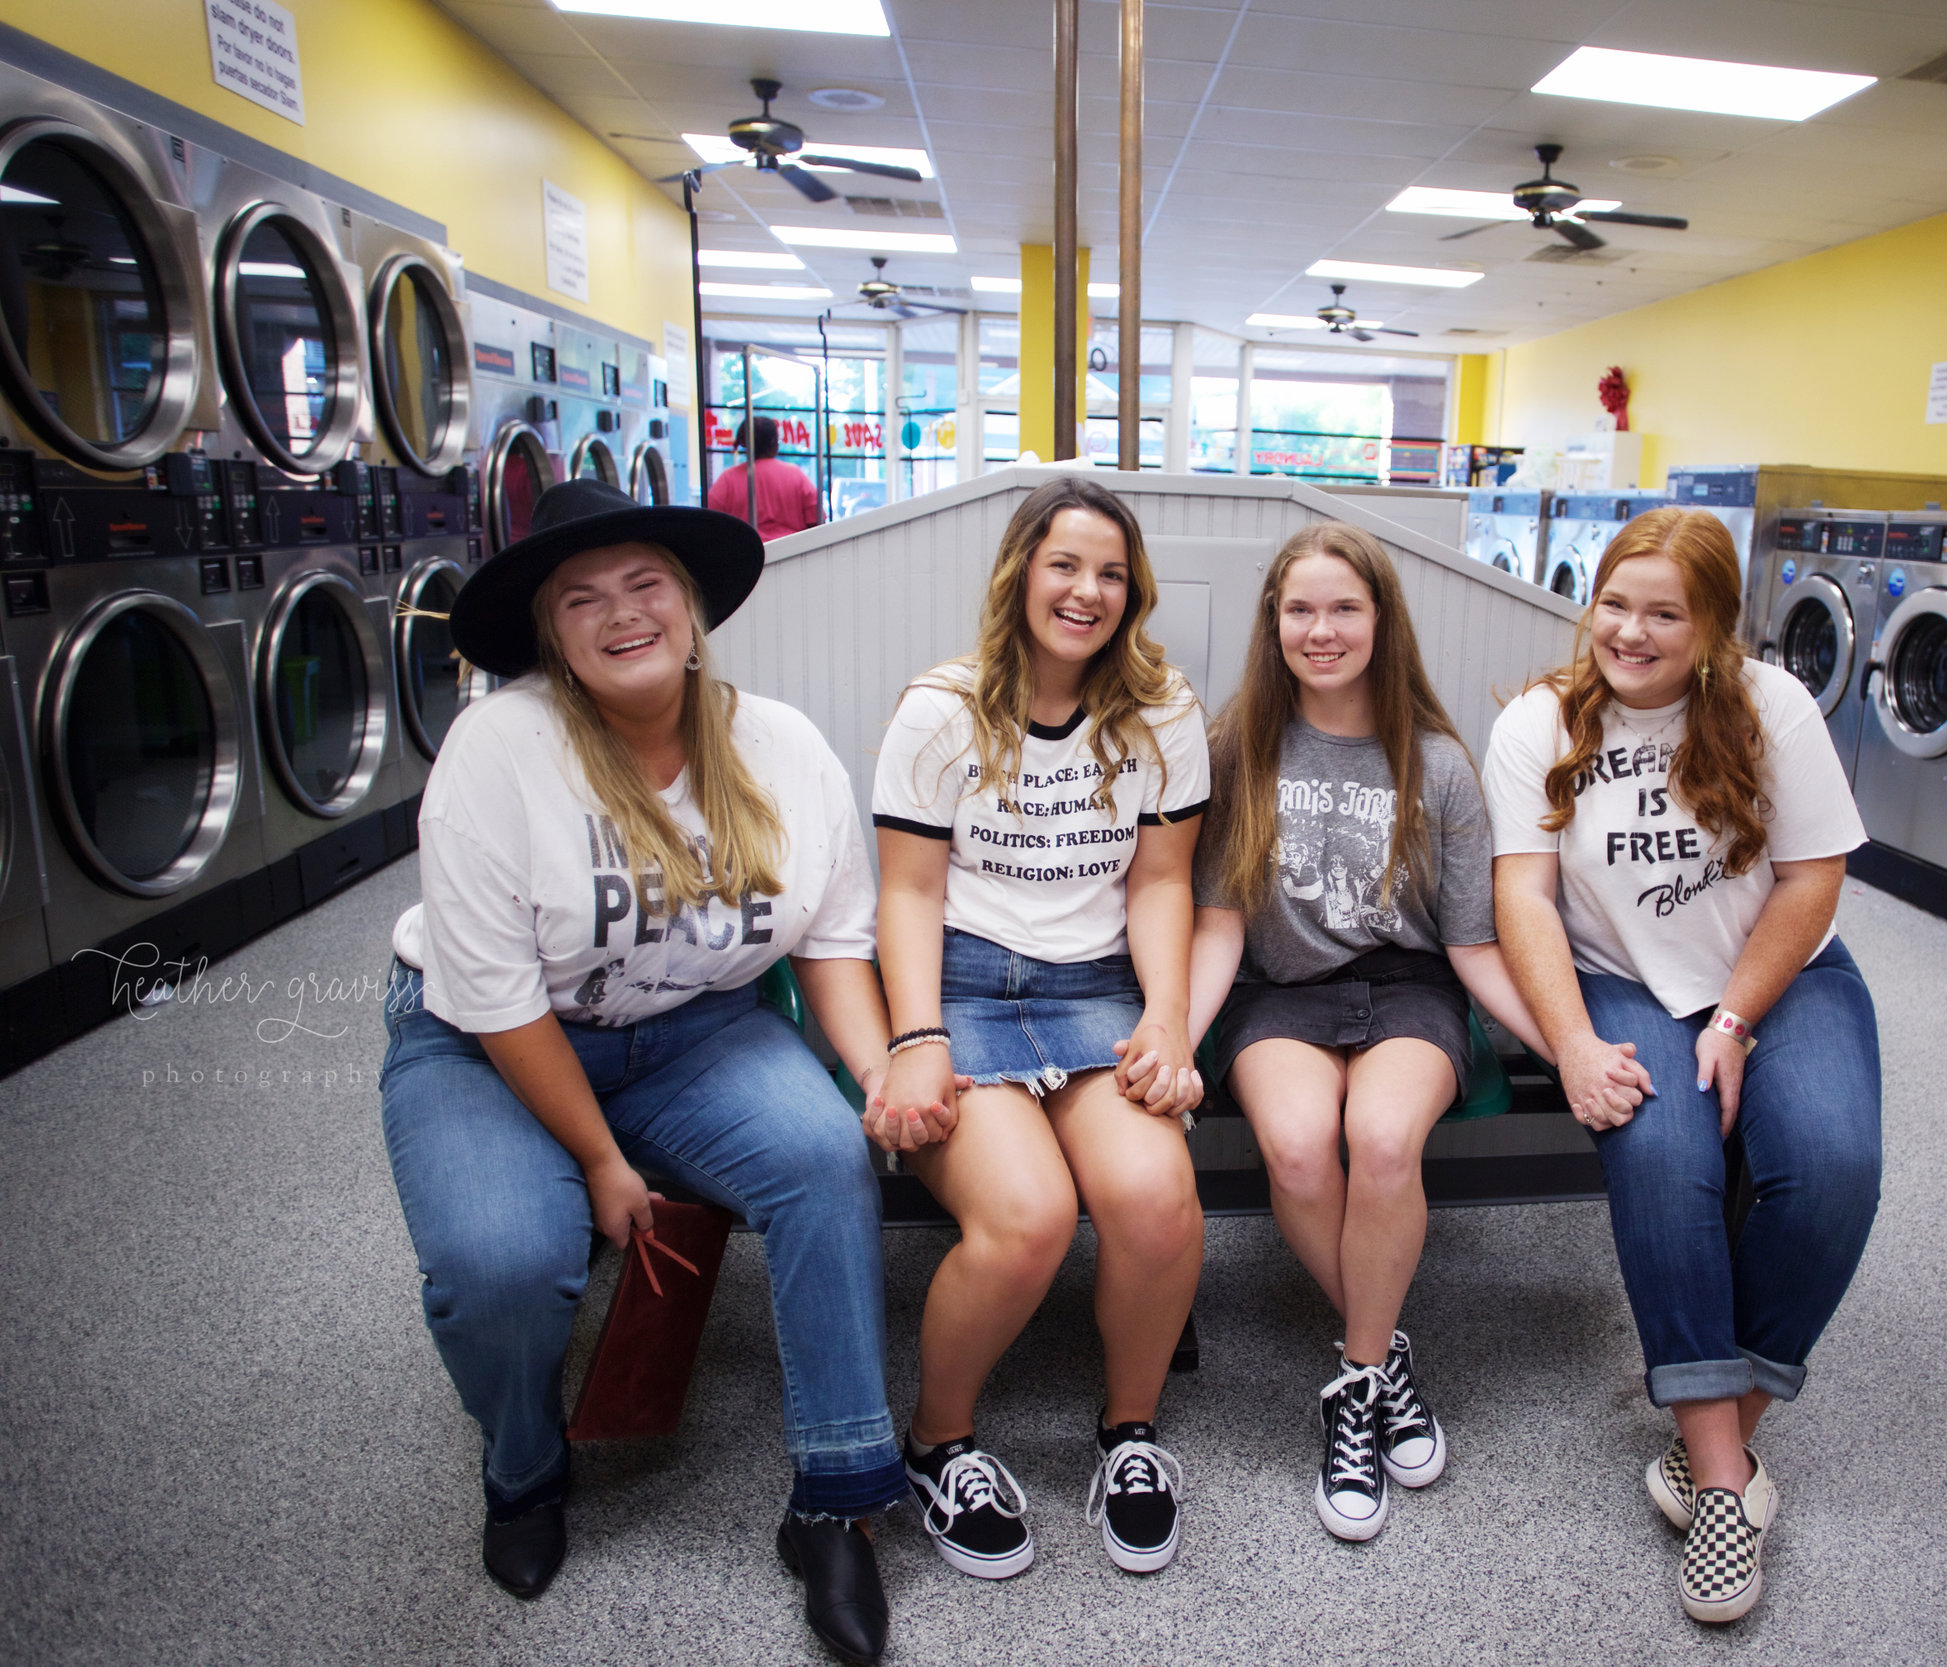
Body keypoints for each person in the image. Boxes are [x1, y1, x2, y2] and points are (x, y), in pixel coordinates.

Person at [380, 478, 903, 1665]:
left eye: (644, 584)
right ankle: (523, 1468)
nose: (621, 613)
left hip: (696, 1032)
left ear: (690, 603)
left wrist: (876, 1074)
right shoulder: (500, 747)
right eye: (582, 598)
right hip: (488, 1046)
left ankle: (834, 1497)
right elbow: (504, 999)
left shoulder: (778, 744)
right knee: (504, 1261)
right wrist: (603, 1163)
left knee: (826, 1161)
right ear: (550, 634)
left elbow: (830, 938)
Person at [1187, 520, 1646, 1541]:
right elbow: (1218, 919)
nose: (1321, 628)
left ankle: (1354, 1382)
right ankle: (1387, 1350)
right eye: (1299, 608)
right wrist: (1177, 1035)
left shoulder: (1437, 762)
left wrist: (1567, 1046)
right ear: (1272, 622)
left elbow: (1478, 947)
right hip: (1280, 993)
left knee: (1384, 1140)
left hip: (1410, 989)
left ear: (1382, 620)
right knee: (1300, 1146)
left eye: (1345, 606)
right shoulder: (1236, 747)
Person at [1484, 507, 1881, 1625]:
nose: (1632, 630)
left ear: (1712, 626)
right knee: (1663, 1156)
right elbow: (1523, 893)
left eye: (1666, 612)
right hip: (1625, 981)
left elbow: (1811, 881)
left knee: (1833, 1163)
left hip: (1779, 972)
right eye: (1616, 602)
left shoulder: (1770, 706)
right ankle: (1718, 1480)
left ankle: (1716, 1420)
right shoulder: (1539, 721)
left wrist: (1740, 1018)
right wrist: (1567, 1042)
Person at [870, 473, 1208, 1580]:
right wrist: (915, 1035)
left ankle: (1128, 1433)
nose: (1088, 590)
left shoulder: (1164, 709)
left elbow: (1164, 883)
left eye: (1111, 572)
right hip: (962, 985)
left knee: (1156, 1200)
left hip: (1095, 986)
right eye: (1065, 564)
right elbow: (909, 893)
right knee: (1027, 1217)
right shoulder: (942, 706)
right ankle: (938, 1441)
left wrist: (1167, 1020)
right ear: (1020, 572)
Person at [705, 414, 824, 542]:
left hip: (745, 555)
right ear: (773, 442)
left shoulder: (727, 480)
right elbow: (818, 522)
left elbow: (710, 525)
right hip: (793, 555)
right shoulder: (796, 475)